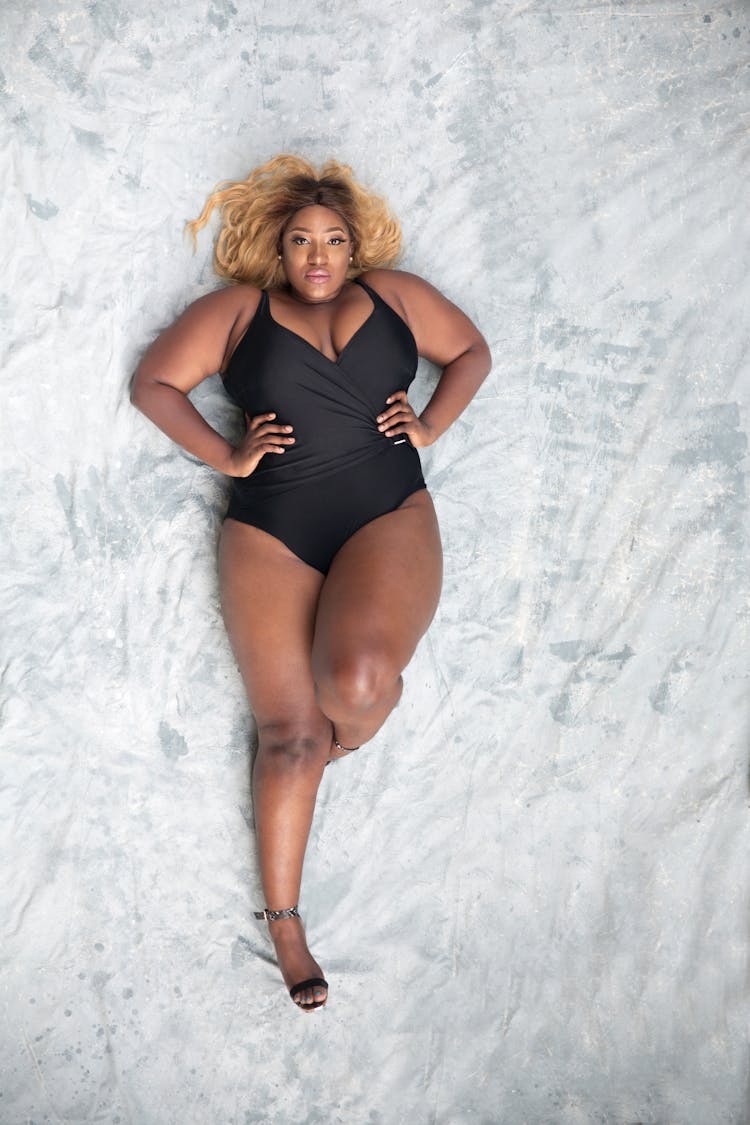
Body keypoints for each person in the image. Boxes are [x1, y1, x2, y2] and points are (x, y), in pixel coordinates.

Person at [131, 154, 491, 1012]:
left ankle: (352, 738)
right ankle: (288, 928)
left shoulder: (397, 297)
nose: (318, 255)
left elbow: (473, 350)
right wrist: (225, 453)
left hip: (386, 509)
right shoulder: (236, 313)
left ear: (355, 245)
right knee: (287, 737)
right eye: (300, 241)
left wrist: (433, 420)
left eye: (333, 239)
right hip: (271, 529)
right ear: (279, 250)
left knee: (357, 682)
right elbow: (154, 385)